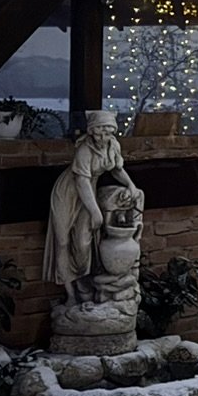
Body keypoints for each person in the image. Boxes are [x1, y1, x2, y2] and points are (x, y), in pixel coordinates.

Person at [42, 110, 144, 302]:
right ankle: (71, 294)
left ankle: (82, 281)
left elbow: (117, 169)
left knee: (83, 243)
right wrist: (95, 211)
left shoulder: (112, 145)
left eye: (106, 132)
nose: (102, 137)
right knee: (63, 242)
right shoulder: (84, 150)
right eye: (97, 132)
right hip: (68, 193)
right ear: (91, 131)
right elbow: (81, 182)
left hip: (89, 193)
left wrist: (131, 185)